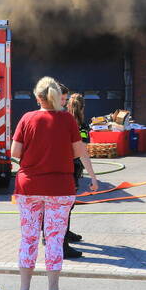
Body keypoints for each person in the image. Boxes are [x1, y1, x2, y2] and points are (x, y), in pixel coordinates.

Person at [12, 77, 99, 290]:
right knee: (54, 238)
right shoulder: (67, 120)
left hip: (28, 186)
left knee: (28, 238)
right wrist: (93, 176)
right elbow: (79, 150)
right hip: (60, 188)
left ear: (37, 97)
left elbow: (15, 152)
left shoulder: (26, 118)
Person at [63, 92, 90, 258]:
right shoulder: (81, 125)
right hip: (72, 168)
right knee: (67, 204)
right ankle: (62, 239)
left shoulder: (63, 120)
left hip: (62, 166)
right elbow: (83, 150)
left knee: (64, 205)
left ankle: (63, 233)